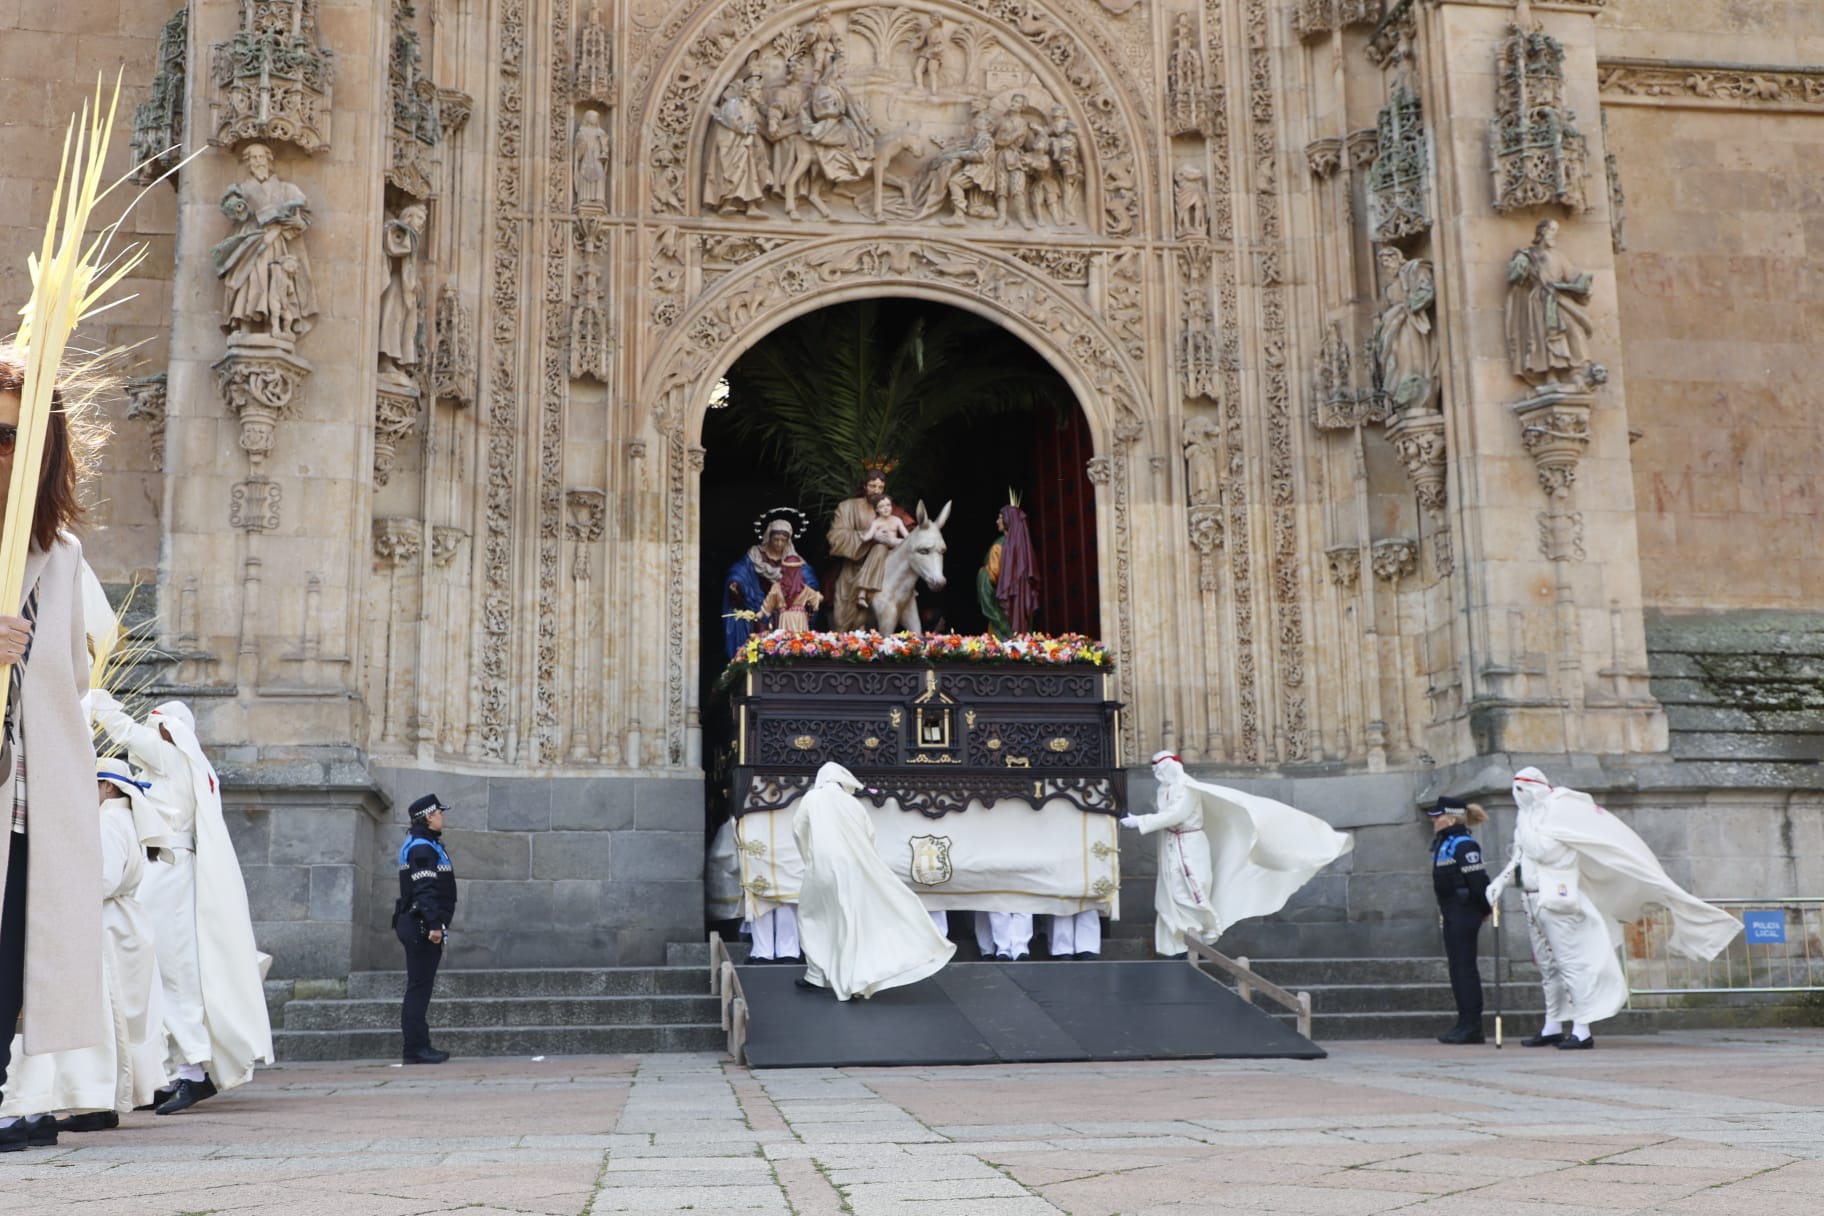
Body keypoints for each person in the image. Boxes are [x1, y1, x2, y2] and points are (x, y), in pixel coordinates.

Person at [0, 347, 106, 1154]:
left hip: (34, 797)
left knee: (13, 966)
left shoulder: (62, 556)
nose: (3, 455)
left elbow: (70, 676)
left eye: (16, 438)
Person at [86, 691, 272, 1113]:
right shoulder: (179, 770)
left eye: (159, 727)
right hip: (166, 869)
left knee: (173, 971)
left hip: (168, 871)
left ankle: (194, 1068)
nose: (155, 733)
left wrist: (94, 700)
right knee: (165, 971)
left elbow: (126, 732)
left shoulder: (175, 758)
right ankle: (178, 1069)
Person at [1487, 767, 1740, 1050]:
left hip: (1559, 899)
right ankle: (1553, 1024)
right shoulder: (1528, 819)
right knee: (1548, 967)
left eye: (1522, 790)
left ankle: (1582, 1028)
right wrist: (1500, 881)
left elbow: (1545, 851)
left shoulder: (1557, 815)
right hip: (1531, 899)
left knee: (1572, 963)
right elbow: (1519, 858)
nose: (1517, 797)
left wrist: (1526, 828)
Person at [0, 772, 167, 1133]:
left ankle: (79, 1101)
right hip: (119, 923)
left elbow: (100, 880)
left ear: (108, 787)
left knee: (94, 1024)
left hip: (102, 924)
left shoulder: (108, 821)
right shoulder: (124, 819)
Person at [1122, 751, 1354, 957]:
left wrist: (1140, 821)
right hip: (1172, 845)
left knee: (1190, 891)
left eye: (1160, 768)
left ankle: (1193, 942)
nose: (1157, 773)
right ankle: (1176, 946)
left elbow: (1175, 815)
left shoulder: (1186, 790)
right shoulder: (1166, 791)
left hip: (1189, 846)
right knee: (1172, 894)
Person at [793, 763, 955, 1000]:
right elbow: (870, 837)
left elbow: (799, 830)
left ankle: (818, 975)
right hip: (855, 869)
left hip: (823, 868)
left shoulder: (812, 797)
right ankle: (852, 979)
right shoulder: (854, 803)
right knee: (851, 920)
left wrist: (809, 857)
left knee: (814, 917)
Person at [396, 793, 458, 1064]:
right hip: (422, 925)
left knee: (420, 987)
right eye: (440, 813)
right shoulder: (423, 847)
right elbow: (424, 889)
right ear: (430, 816)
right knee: (419, 988)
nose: (443, 817)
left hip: (420, 923)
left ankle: (419, 1046)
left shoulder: (425, 844)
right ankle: (416, 1049)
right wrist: (434, 924)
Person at [1427, 795, 1490, 1045]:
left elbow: (1478, 881)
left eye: (1437, 816)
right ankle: (1463, 1022)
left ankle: (1472, 1025)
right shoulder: (1444, 843)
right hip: (1452, 911)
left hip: (1465, 910)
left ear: (1451, 818)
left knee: (1464, 969)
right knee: (1457, 968)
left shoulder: (1463, 844)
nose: (1434, 820)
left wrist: (1485, 908)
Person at [722, 508, 817, 659]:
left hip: (788, 611)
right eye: (776, 539)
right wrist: (736, 582)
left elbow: (809, 581)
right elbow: (740, 571)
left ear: (788, 541)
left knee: (791, 641)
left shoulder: (794, 560)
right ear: (769, 537)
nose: (779, 543)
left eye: (783, 540)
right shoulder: (755, 555)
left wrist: (808, 594)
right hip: (758, 603)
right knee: (760, 637)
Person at [827, 463, 895, 627]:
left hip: (881, 572)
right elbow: (835, 536)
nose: (876, 490)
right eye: (872, 485)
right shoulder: (847, 507)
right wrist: (868, 537)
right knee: (844, 623)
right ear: (864, 486)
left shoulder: (890, 510)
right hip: (852, 570)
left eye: (880, 486)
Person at [977, 502, 1038, 638]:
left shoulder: (998, 547)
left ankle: (1008, 636)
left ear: (1008, 520)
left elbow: (991, 577)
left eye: (1000, 517)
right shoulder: (1026, 549)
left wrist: (982, 574)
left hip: (1002, 613)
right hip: (1022, 611)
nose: (997, 521)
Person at [855, 497, 908, 609]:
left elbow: (908, 538)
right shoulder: (876, 522)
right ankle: (862, 593)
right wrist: (864, 537)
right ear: (877, 510)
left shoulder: (897, 520)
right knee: (879, 549)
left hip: (895, 550)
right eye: (881, 506)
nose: (885, 509)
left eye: (888, 505)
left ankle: (909, 590)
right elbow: (869, 536)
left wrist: (896, 542)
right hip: (881, 549)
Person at [760, 554, 823, 632]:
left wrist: (762, 612)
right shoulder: (804, 588)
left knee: (787, 640)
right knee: (799, 640)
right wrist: (819, 597)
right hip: (799, 618)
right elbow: (815, 598)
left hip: (785, 618)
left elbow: (769, 602)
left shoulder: (777, 587)